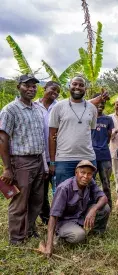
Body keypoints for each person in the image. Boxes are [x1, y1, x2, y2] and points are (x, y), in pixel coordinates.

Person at [0, 74, 46, 245]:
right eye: (27, 86)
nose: (31, 89)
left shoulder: (36, 108)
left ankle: (29, 230)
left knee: (37, 199)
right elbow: (3, 139)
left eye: (34, 86)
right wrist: (7, 168)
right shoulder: (10, 110)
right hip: (21, 162)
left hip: (38, 160)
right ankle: (17, 238)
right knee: (20, 201)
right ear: (18, 87)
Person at [42, 160, 110, 257]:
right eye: (83, 172)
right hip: (65, 222)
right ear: (76, 173)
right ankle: (60, 238)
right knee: (79, 235)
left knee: (105, 208)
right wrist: (49, 245)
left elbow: (103, 198)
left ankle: (94, 235)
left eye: (89, 174)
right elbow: (53, 216)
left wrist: (93, 210)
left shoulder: (90, 182)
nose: (86, 176)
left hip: (80, 217)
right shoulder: (64, 188)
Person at [49, 76, 98, 186]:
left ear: (86, 88)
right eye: (74, 84)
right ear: (69, 86)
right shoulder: (58, 107)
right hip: (64, 159)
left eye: (81, 85)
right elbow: (52, 135)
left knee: (87, 195)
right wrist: (52, 162)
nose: (78, 87)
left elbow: (91, 132)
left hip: (88, 158)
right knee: (64, 193)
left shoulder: (92, 108)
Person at [34, 81, 61, 224]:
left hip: (57, 156)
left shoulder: (59, 106)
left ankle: (58, 218)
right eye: (53, 89)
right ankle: (46, 219)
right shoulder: (33, 106)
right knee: (41, 192)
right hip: (39, 156)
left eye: (58, 91)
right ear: (44, 88)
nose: (55, 93)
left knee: (58, 190)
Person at [91, 97, 114, 208]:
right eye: (98, 103)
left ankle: (108, 206)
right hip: (91, 155)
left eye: (103, 103)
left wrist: (102, 145)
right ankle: (91, 205)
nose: (100, 105)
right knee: (90, 182)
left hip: (105, 155)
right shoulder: (89, 117)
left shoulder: (108, 119)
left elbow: (109, 136)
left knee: (106, 183)